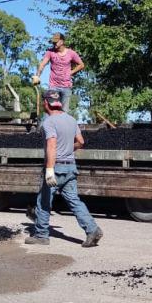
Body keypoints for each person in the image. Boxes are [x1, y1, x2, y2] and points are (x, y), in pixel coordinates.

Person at [25, 89, 103, 247]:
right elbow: (81, 142)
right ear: (58, 103)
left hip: (57, 168)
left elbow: (52, 146)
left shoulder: (49, 122)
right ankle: (92, 229)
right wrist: (67, 149)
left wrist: (49, 170)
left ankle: (41, 235)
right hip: (70, 168)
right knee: (74, 201)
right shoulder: (71, 120)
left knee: (44, 202)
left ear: (46, 103)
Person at [33, 32, 85, 112]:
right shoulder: (50, 52)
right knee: (52, 110)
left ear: (62, 41)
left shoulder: (71, 53)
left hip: (66, 86)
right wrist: (37, 76)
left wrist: (71, 72)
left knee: (64, 111)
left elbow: (81, 65)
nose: (54, 43)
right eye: (53, 41)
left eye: (56, 41)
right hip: (54, 86)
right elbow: (42, 64)